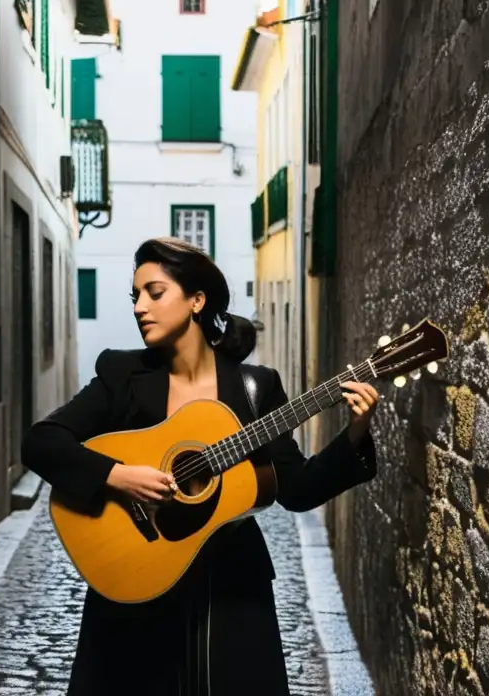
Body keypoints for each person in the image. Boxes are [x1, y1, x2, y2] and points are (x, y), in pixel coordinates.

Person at [21, 237, 379, 696]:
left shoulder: (254, 389)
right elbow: (41, 442)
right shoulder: (122, 376)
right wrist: (118, 476)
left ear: (196, 300)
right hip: (135, 579)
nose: (139, 308)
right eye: (135, 297)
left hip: (230, 593)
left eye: (154, 292)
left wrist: (354, 433)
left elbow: (296, 489)